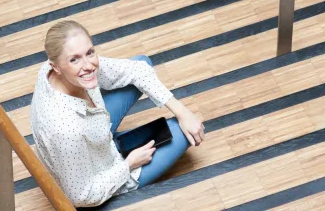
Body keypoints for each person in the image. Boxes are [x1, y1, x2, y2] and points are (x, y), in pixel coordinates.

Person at [29, 20, 203, 206]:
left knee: (141, 63)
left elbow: (138, 70)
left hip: (95, 135)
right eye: (74, 59)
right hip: (98, 173)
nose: (88, 66)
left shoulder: (54, 69)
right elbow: (81, 196)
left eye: (90, 52)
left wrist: (183, 112)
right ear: (56, 67)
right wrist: (128, 165)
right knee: (182, 133)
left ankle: (116, 142)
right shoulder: (66, 131)